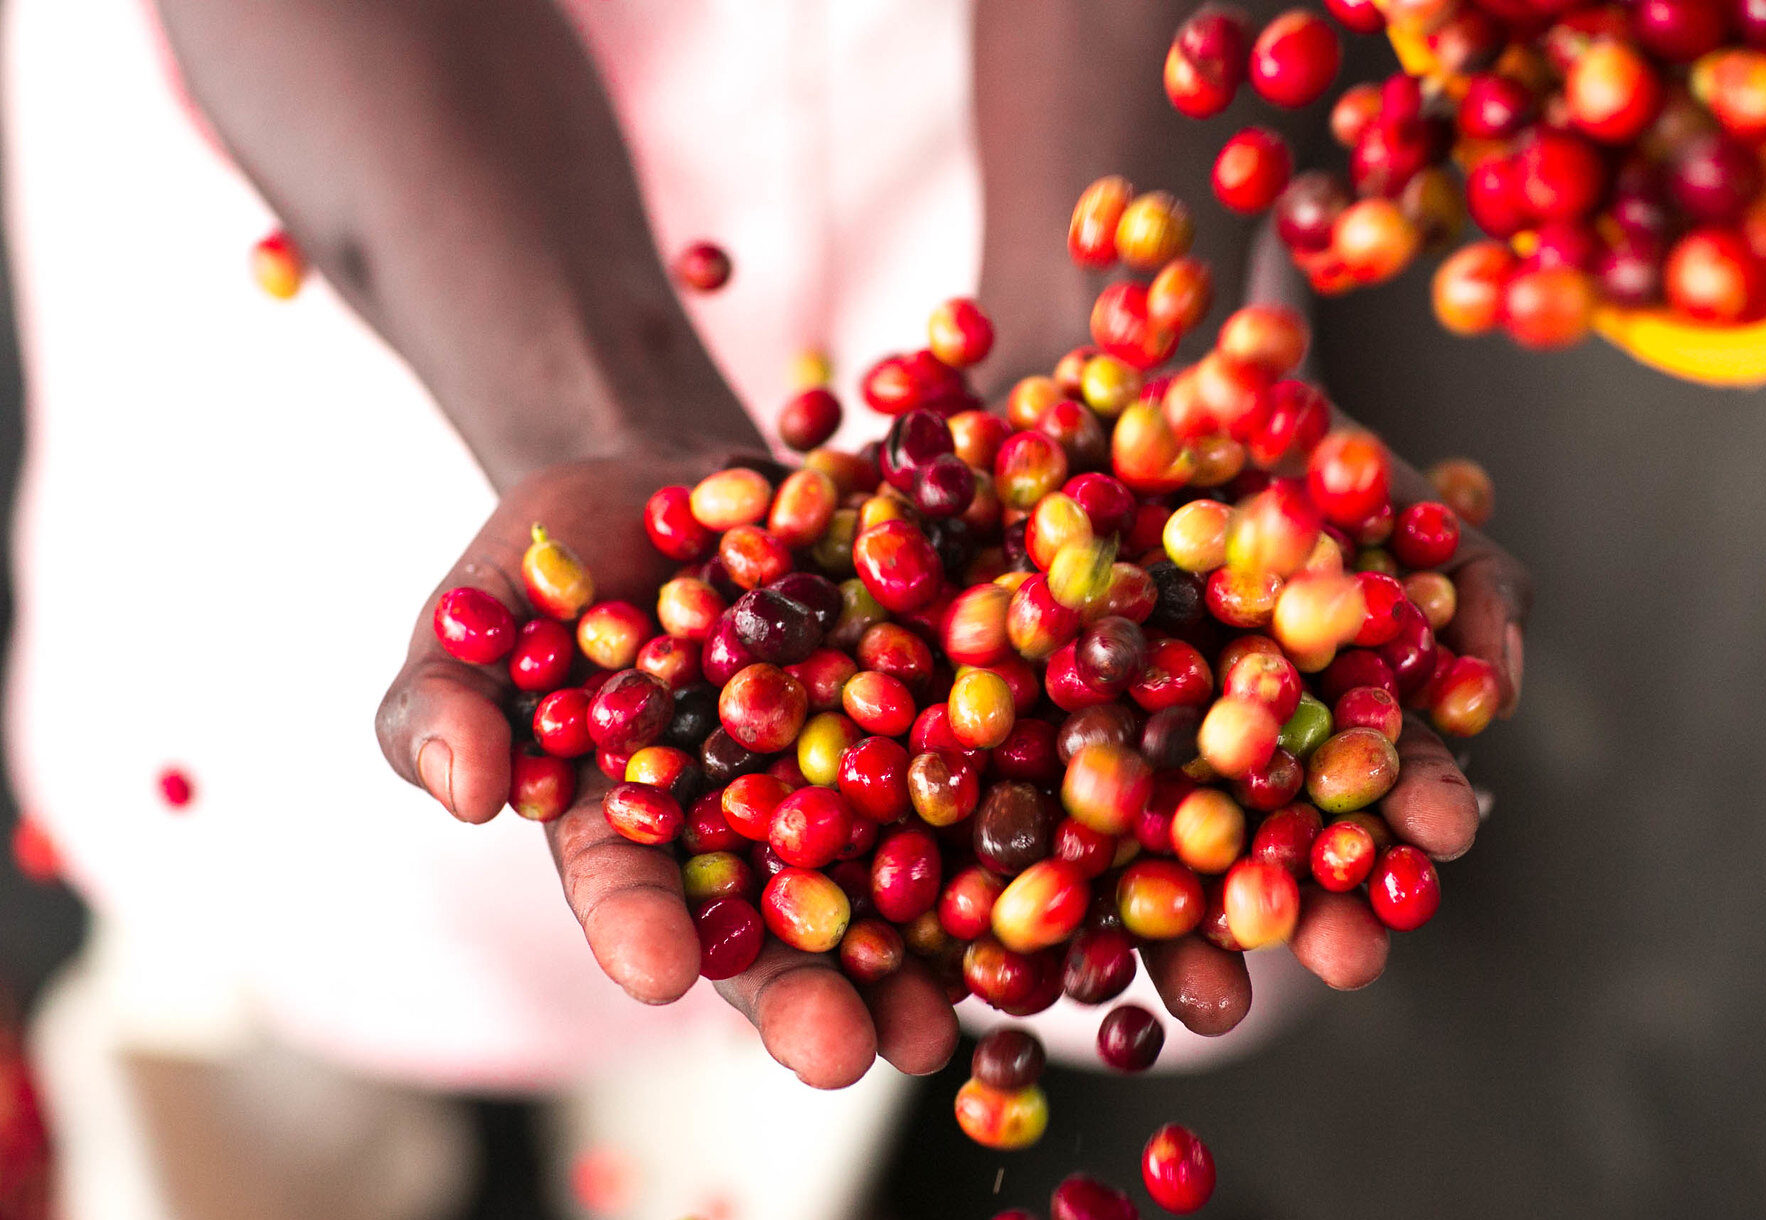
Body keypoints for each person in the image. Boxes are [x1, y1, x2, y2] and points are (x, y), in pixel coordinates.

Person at [2, 0, 1528, 1215]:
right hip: (399, 168)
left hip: (1030, 118)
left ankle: (715, 1151)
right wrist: (585, 407)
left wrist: (1104, 328)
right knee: (296, 877)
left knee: (810, 1012)